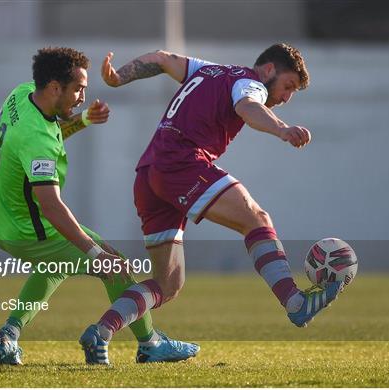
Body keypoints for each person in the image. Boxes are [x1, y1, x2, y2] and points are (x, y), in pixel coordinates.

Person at [79, 43, 344, 359]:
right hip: (182, 163)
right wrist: (282, 129)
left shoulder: (208, 70)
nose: (286, 98)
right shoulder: (250, 83)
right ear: (270, 69)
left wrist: (118, 78)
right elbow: (248, 106)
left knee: (168, 282)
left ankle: (101, 332)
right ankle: (295, 303)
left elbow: (162, 59)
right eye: (288, 86)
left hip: (149, 172)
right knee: (257, 220)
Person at [0, 47, 199, 366]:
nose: (84, 95)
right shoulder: (37, 140)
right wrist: (94, 254)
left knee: (53, 268)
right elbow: (52, 205)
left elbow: (46, 134)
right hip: (30, 229)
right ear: (55, 87)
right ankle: (149, 344)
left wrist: (81, 120)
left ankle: (8, 335)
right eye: (79, 89)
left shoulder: (23, 94)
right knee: (116, 267)